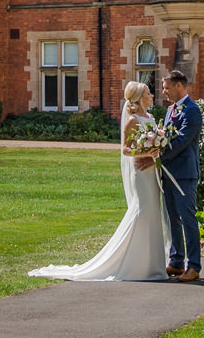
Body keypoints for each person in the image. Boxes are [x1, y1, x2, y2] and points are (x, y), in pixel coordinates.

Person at [29, 81, 170, 281]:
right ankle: (133, 264)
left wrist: (156, 152)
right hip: (140, 173)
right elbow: (125, 149)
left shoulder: (151, 118)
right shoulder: (132, 120)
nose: (152, 95)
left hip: (152, 172)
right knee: (143, 212)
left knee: (153, 213)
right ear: (139, 98)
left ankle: (153, 265)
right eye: (148, 93)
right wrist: (147, 152)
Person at [159, 70, 204, 282]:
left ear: (179, 86)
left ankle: (194, 265)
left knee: (187, 218)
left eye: (167, 87)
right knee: (171, 218)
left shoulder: (192, 111)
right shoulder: (170, 110)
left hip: (185, 173)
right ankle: (176, 262)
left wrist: (158, 153)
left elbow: (183, 141)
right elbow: (167, 136)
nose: (164, 91)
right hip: (167, 173)